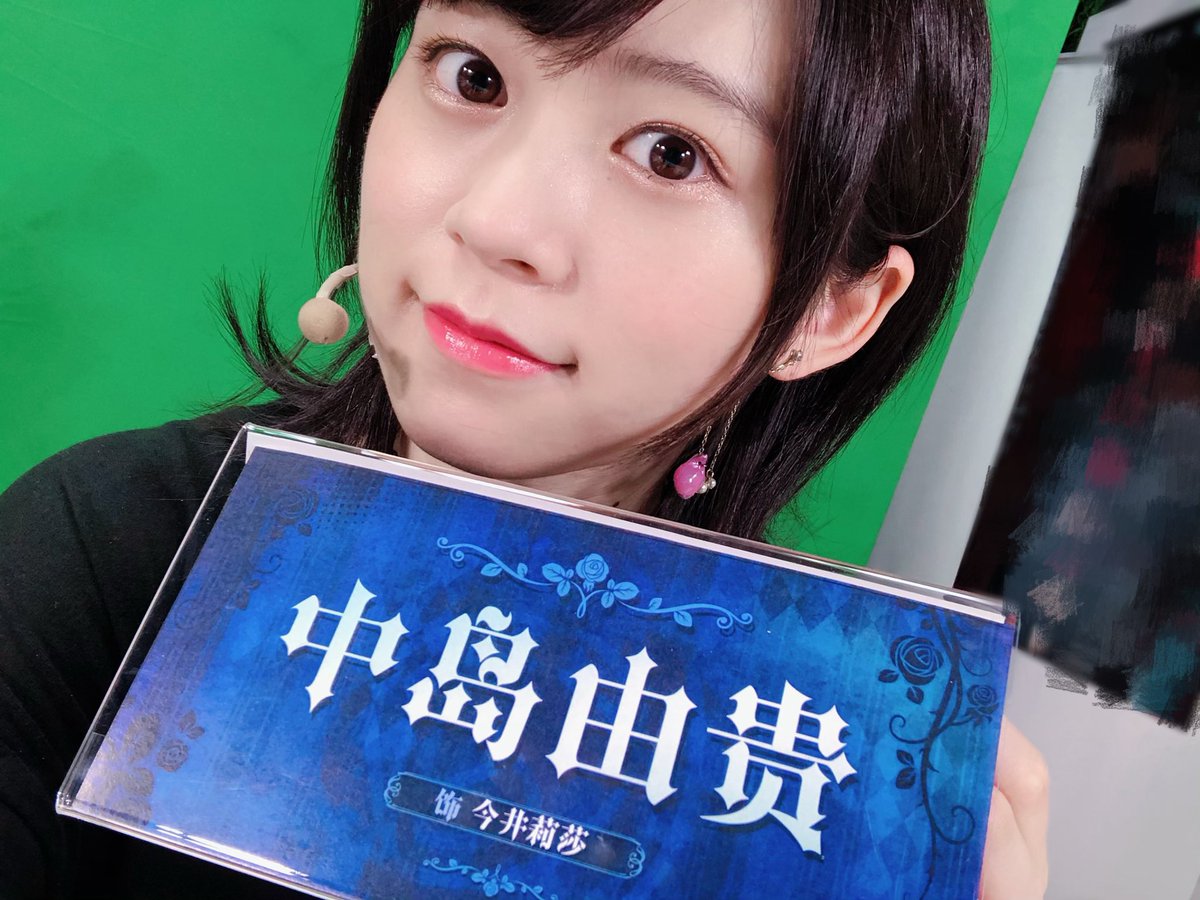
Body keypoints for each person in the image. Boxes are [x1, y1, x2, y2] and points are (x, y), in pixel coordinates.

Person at [0, 0, 1049, 896]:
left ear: (830, 307)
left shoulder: (812, 772)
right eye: (473, 74)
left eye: (671, 153)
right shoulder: (108, 553)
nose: (497, 221)